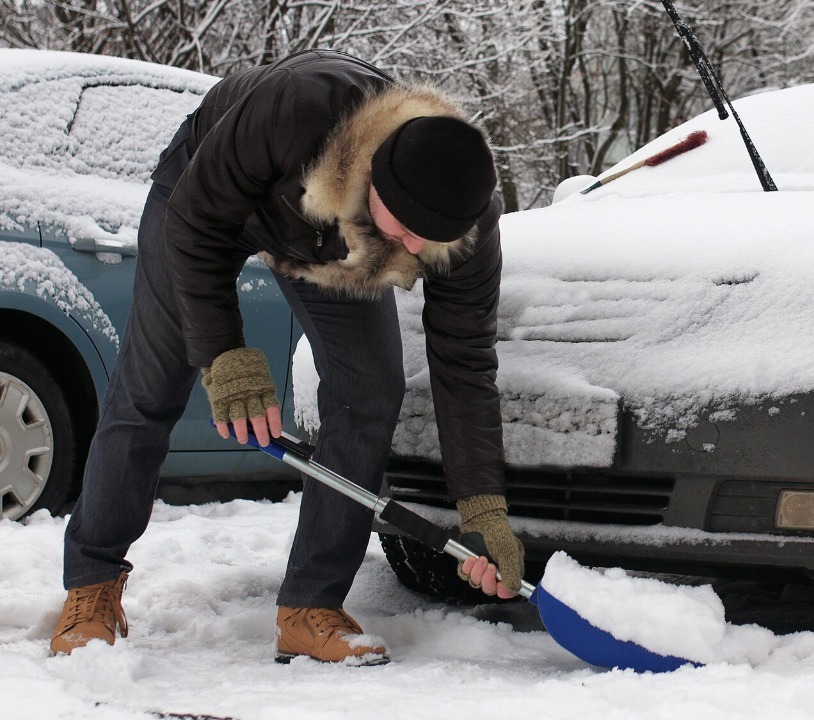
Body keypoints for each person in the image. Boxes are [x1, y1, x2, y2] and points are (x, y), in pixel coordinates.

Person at [48, 49, 523, 665]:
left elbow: (464, 363)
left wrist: (482, 505)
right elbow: (195, 223)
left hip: (333, 240)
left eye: (429, 240)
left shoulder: (465, 225)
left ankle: (311, 605)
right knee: (153, 383)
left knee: (370, 388)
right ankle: (92, 582)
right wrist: (225, 356)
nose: (413, 248)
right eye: (407, 227)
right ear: (374, 175)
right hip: (205, 203)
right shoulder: (296, 106)